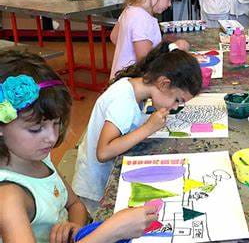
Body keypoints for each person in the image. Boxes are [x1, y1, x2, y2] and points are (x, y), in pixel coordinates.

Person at [0, 50, 159, 243]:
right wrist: (110, 230)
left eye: (56, 123)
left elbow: (73, 202)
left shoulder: (37, 156)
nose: (51, 137)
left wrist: (73, 224)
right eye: (37, 128)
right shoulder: (9, 196)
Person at [73, 42, 202, 216]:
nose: (174, 107)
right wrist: (149, 128)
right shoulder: (123, 101)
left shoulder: (134, 86)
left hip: (103, 176)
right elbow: (103, 152)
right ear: (164, 84)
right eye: (177, 100)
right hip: (95, 187)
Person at [109, 0, 189, 79]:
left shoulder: (130, 9)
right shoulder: (142, 19)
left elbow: (114, 37)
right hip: (131, 89)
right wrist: (175, 48)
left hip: (118, 82)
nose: (169, 4)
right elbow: (146, 63)